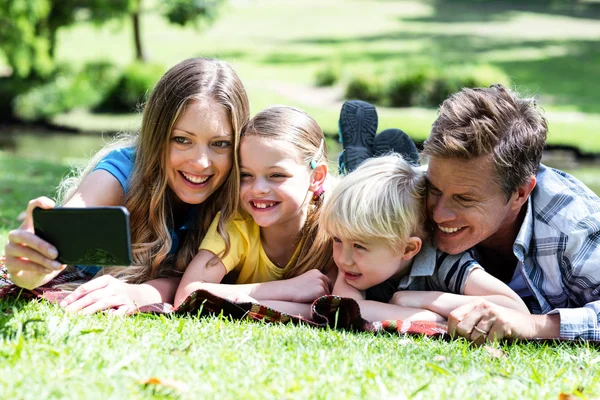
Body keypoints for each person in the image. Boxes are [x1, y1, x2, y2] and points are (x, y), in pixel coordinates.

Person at [4, 57, 250, 315]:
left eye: (220, 144)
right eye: (181, 140)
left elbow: (199, 283)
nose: (201, 163)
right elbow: (71, 223)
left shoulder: (240, 194)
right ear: (156, 136)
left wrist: (139, 293)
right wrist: (32, 261)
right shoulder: (121, 174)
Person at [422, 84, 600, 341]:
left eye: (464, 199)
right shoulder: (414, 197)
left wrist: (533, 325)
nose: (439, 215)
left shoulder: (575, 225)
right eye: (434, 189)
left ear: (520, 193)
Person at [320, 154, 528, 327]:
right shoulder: (353, 267)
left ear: (408, 248)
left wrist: (428, 300)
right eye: (337, 239)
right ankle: (359, 153)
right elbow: (347, 309)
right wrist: (428, 316)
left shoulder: (444, 263)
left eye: (359, 246)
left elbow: (515, 309)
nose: (343, 259)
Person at [174, 106, 335, 316]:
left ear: (316, 177)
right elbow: (187, 295)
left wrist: (246, 302)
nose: (258, 189)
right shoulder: (237, 224)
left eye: (276, 175)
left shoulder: (333, 226)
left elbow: (334, 309)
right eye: (246, 175)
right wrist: (287, 289)